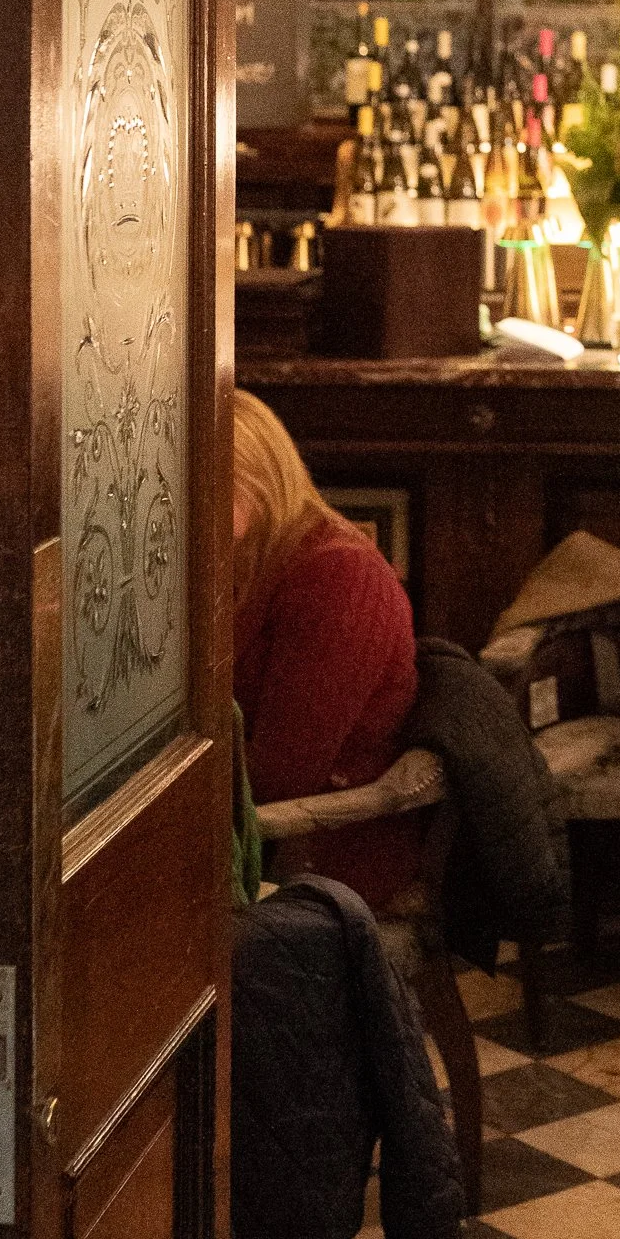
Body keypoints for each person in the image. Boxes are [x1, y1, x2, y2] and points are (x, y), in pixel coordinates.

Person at [232, 389, 420, 911]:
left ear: (260, 481)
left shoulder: (338, 576)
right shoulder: (237, 559)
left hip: (322, 854)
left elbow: (279, 774)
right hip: (253, 827)